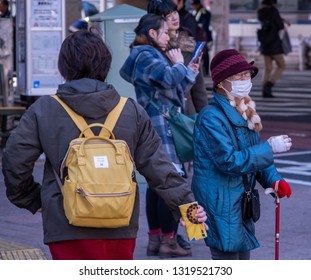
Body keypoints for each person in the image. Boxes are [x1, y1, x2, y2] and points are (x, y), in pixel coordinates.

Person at [2, 29, 207, 260]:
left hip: (65, 223)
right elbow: (159, 166)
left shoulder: (44, 110)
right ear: (105, 66)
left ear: (63, 67)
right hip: (119, 222)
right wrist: (187, 206)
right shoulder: (130, 111)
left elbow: (14, 160)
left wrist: (32, 199)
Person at [191, 49, 293, 260]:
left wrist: (273, 181)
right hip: (220, 198)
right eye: (238, 76)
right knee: (228, 255)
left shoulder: (244, 110)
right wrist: (270, 147)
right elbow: (229, 161)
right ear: (221, 83)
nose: (245, 80)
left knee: (242, 254)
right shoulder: (210, 117)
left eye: (247, 75)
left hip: (239, 195)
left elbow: (253, 153)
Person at [120, 13, 200, 258]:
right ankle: (169, 241)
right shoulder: (145, 54)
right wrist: (178, 65)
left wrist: (189, 72)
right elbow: (167, 78)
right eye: (165, 32)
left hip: (159, 123)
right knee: (171, 181)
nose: (169, 36)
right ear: (152, 34)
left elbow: (170, 90)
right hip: (160, 126)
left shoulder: (148, 54)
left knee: (158, 184)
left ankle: (156, 239)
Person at [257, 0, 288, 98]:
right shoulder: (273, 10)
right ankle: (269, 84)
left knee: (268, 68)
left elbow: (268, 22)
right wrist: (282, 21)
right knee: (282, 65)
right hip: (274, 42)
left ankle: (265, 91)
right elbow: (280, 25)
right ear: (273, 3)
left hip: (264, 42)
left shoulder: (261, 11)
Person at [190, 0, 213, 76]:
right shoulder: (194, 12)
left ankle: (206, 72)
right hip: (198, 37)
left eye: (193, 5)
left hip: (204, 37)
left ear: (197, 4)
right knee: (199, 53)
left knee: (204, 53)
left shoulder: (204, 12)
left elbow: (204, 25)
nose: (192, 6)